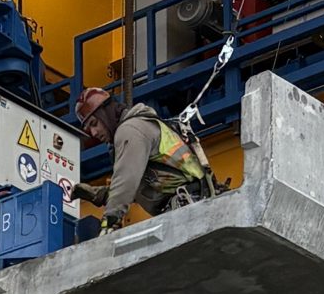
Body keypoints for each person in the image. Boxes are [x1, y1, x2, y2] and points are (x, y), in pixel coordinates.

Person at [72, 85, 220, 225]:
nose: (94, 133)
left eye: (94, 123)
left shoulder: (130, 130)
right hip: (196, 204)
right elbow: (139, 184)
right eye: (88, 129)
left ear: (106, 113)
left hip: (191, 210)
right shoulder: (139, 129)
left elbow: (127, 178)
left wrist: (110, 218)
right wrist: (101, 195)